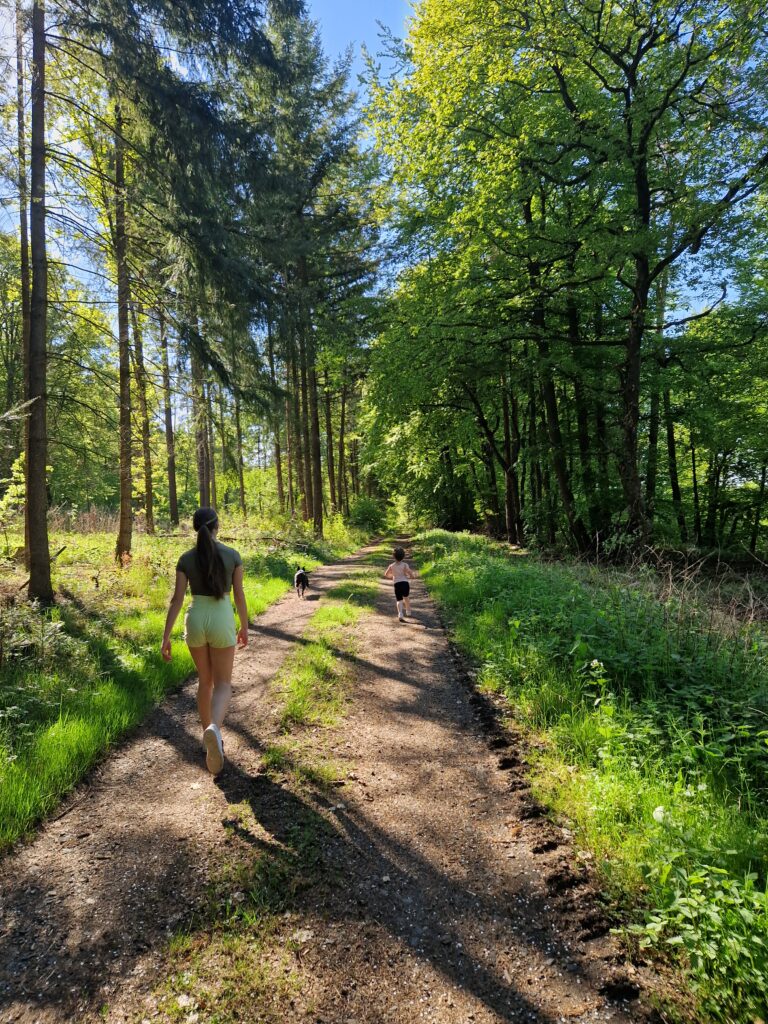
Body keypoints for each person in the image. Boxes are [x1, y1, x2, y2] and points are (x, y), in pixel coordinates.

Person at [161, 507, 248, 775]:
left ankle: (207, 741)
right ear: (216, 526)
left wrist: (166, 636)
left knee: (205, 682)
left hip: (196, 618)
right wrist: (244, 626)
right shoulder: (232, 555)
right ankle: (214, 730)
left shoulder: (186, 558)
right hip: (221, 618)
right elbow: (239, 595)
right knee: (223, 684)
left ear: (195, 527)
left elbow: (177, 600)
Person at [384, 546, 416, 622]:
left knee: (399, 600)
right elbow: (410, 573)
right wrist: (412, 576)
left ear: (393, 556)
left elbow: (386, 574)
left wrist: (392, 576)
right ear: (403, 556)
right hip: (405, 583)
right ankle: (408, 611)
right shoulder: (405, 565)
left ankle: (400, 614)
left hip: (397, 584)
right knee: (406, 597)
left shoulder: (391, 566)